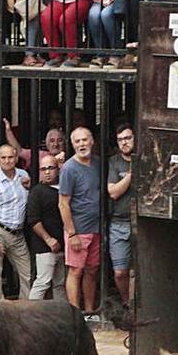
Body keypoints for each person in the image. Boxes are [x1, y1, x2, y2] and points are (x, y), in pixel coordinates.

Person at [0, 144, 32, 300]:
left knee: (28, 273)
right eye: (3, 157)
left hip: (18, 233)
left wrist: (29, 186)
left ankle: (26, 307)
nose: (7, 161)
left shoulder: (23, 176)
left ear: (16, 158)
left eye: (10, 157)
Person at [60, 127, 101, 315]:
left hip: (96, 228)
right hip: (78, 230)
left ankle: (90, 311)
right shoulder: (69, 168)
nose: (82, 144)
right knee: (76, 271)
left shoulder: (98, 163)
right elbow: (63, 204)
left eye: (85, 140)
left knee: (92, 270)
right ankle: (75, 315)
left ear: (92, 141)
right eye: (77, 141)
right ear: (72, 144)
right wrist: (72, 233)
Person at [26, 154, 66, 301]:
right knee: (42, 282)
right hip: (44, 247)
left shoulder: (64, 188)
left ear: (58, 169)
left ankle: (60, 312)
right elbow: (33, 220)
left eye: (51, 168)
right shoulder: (37, 191)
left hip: (63, 245)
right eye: (43, 169)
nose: (47, 172)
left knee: (60, 284)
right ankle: (30, 312)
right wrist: (48, 239)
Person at [106, 124, 134, 304]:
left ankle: (136, 307)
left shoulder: (146, 156)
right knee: (120, 272)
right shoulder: (114, 162)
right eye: (120, 140)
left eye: (128, 138)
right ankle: (126, 304)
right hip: (119, 223)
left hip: (143, 222)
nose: (124, 142)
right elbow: (113, 192)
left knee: (139, 271)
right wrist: (131, 175)